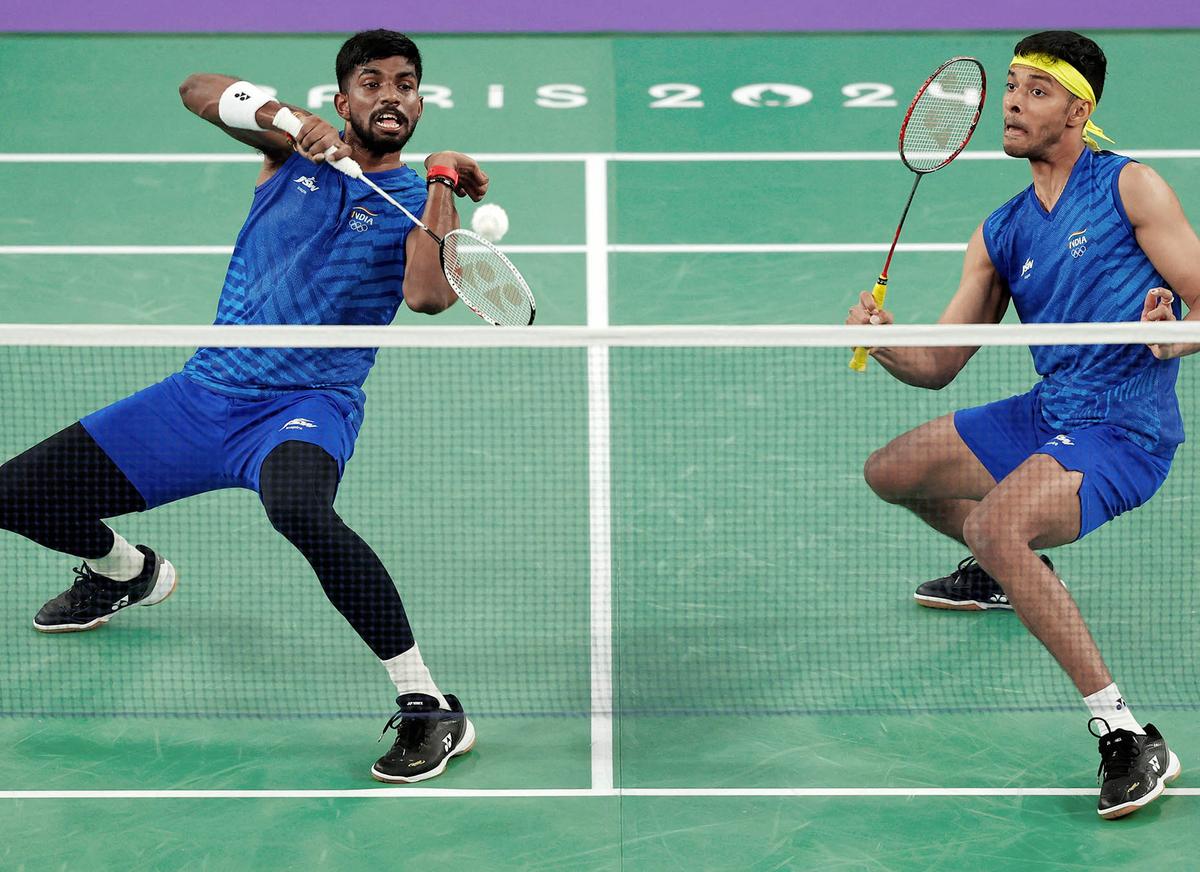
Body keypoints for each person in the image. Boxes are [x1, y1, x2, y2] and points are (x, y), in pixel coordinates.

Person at [0, 29, 480, 784]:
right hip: (202, 394)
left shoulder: (416, 202)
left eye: (406, 83)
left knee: (301, 510)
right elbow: (196, 87)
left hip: (305, 406)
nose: (391, 93)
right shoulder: (289, 157)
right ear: (343, 98)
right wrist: (291, 121)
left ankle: (427, 703)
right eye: (373, 81)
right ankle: (125, 571)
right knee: (13, 493)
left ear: (419, 104)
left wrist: (442, 184)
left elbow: (426, 296)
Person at [847, 30, 1200, 818]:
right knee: (892, 472)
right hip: (1051, 411)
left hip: (1124, 426)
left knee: (999, 525)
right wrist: (883, 339)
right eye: (1011, 86)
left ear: (1079, 111)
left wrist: (1181, 332)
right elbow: (939, 363)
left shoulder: (1130, 189)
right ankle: (1013, 576)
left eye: (1037, 91)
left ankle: (1125, 734)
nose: (1012, 102)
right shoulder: (1001, 230)